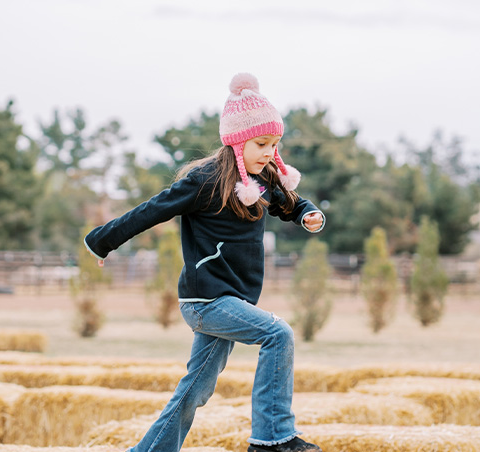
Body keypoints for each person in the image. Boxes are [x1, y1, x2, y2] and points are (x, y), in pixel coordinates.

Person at [84, 73, 325, 452]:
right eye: (261, 143)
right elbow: (151, 211)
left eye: (275, 144)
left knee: (194, 391)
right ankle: (272, 438)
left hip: (231, 301)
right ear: (237, 141)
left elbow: (290, 203)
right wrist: (102, 241)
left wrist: (308, 214)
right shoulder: (205, 181)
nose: (268, 152)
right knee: (278, 334)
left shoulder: (263, 179)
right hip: (206, 302)